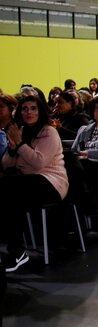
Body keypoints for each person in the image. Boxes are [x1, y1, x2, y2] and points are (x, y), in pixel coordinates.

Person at [1, 94, 69, 273]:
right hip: (27, 183)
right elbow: (6, 164)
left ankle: (17, 252)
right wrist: (12, 149)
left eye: (33, 108)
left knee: (8, 189)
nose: (28, 112)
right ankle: (16, 251)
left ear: (40, 111)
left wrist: (20, 145)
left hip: (51, 182)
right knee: (10, 199)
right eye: (24, 109)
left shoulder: (49, 132)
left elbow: (39, 162)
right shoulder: (20, 131)